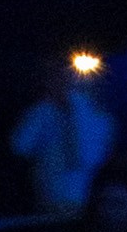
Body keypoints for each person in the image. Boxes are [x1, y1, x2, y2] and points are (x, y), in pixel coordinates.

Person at [13, 59, 117, 221]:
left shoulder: (99, 118)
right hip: (48, 202)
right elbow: (19, 146)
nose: (64, 83)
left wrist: (75, 110)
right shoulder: (43, 113)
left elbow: (89, 157)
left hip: (89, 203)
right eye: (58, 78)